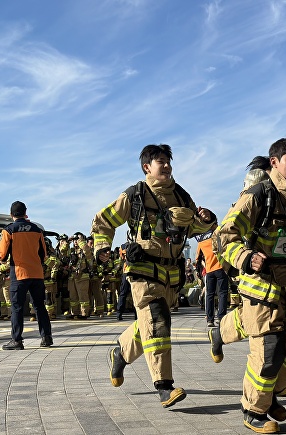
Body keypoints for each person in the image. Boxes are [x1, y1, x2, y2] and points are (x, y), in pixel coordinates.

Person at [91, 144, 216, 408]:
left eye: (169, 162)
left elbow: (193, 227)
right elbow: (104, 220)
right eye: (161, 162)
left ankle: (120, 353)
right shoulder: (134, 195)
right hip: (142, 271)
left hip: (170, 274)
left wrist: (206, 219)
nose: (167, 167)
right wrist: (102, 247)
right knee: (158, 322)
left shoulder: (181, 196)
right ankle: (164, 387)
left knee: (149, 323)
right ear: (147, 167)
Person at [214, 138, 286, 433]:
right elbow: (224, 236)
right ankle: (253, 410)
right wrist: (247, 257)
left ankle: (268, 393)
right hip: (263, 285)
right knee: (269, 353)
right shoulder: (258, 196)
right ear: (274, 162)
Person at [0, 201, 52, 350]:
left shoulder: (8, 230)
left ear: (11, 214)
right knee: (40, 306)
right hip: (36, 273)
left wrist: (3, 259)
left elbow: (2, 255)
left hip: (19, 273)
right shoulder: (36, 229)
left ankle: (17, 340)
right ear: (25, 212)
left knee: (17, 307)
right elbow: (43, 253)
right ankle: (46, 337)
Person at [196, 223, 229, 327]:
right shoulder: (219, 235)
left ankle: (210, 319)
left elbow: (198, 258)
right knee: (222, 293)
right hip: (221, 268)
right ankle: (221, 317)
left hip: (209, 270)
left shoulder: (201, 240)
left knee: (209, 295)